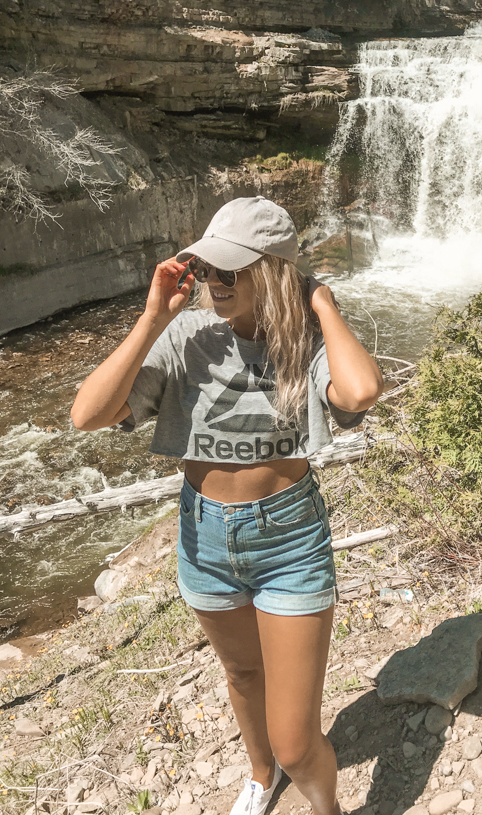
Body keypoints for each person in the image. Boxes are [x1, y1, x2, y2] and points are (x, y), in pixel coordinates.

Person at [71, 196, 385, 815]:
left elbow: (361, 390)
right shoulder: (185, 336)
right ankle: (260, 776)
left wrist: (320, 301)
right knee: (243, 677)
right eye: (207, 269)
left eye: (229, 271)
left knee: (298, 741)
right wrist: (152, 319)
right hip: (205, 539)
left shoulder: (305, 336)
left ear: (270, 272)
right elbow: (88, 414)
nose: (213, 282)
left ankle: (324, 806)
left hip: (289, 538)